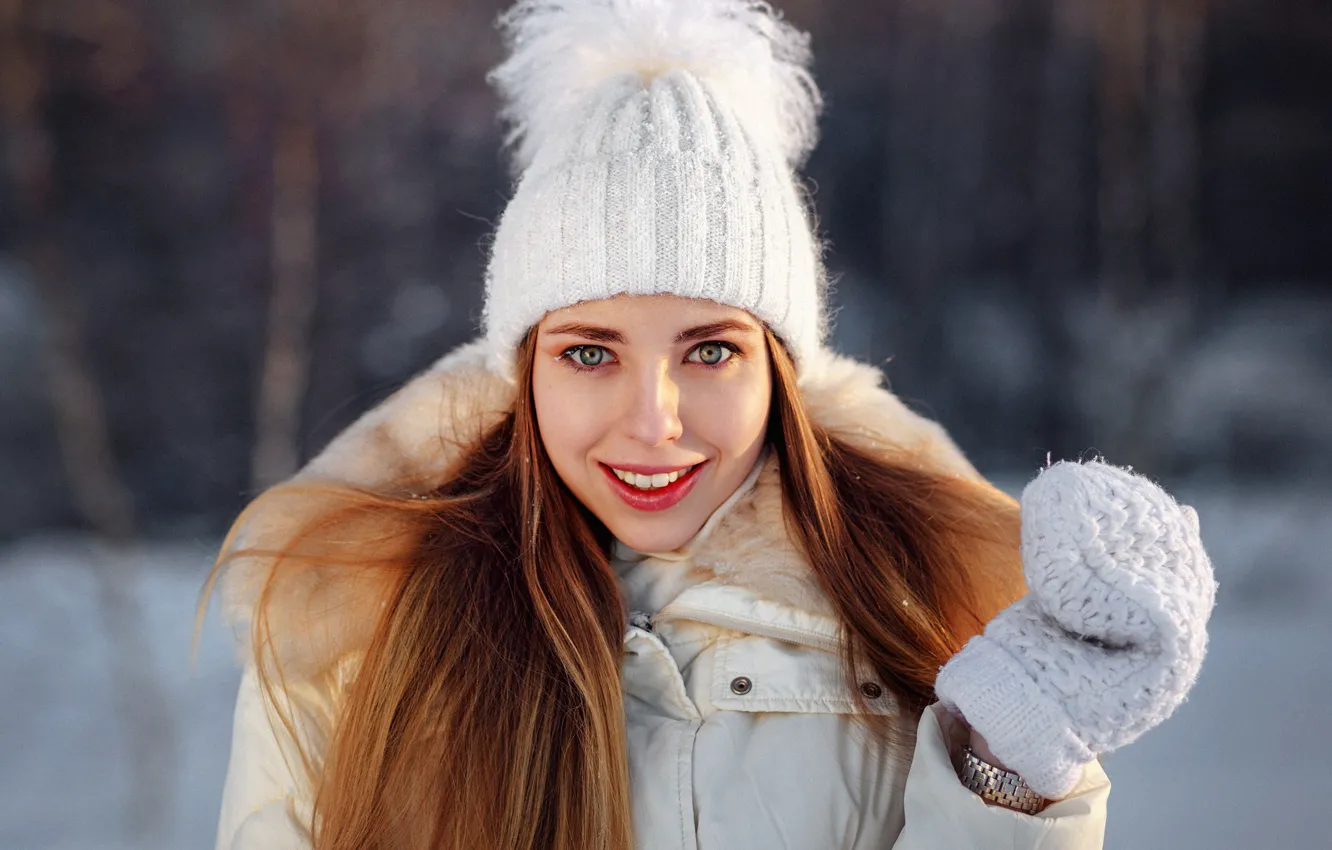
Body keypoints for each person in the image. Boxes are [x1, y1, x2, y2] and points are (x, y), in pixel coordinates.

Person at [206, 1, 1217, 848]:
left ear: (780, 366)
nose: (654, 421)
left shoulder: (918, 603)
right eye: (590, 352)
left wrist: (1009, 759)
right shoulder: (356, 620)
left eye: (709, 350)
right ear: (523, 372)